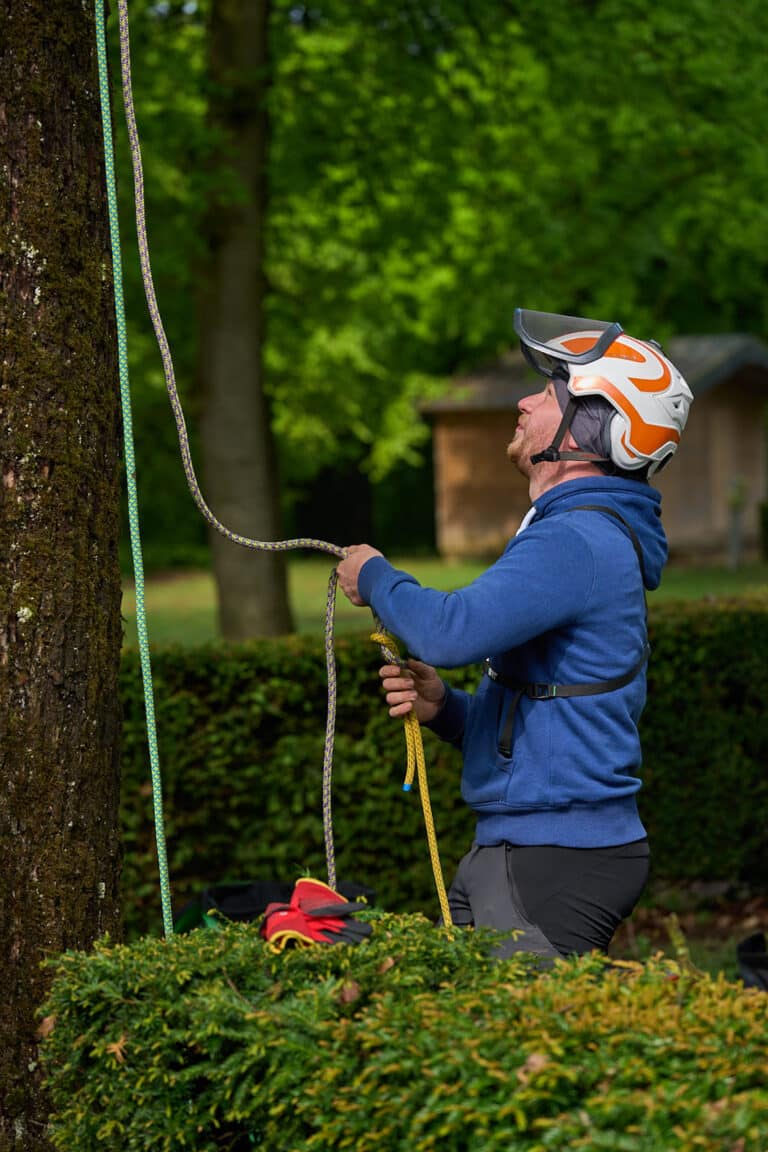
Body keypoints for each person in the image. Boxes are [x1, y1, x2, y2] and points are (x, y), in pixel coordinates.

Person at [336, 309, 693, 960]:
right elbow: (543, 710)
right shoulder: (576, 531)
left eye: (552, 393)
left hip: (552, 856)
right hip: (531, 847)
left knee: (528, 1055)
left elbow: (448, 631)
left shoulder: (577, 539)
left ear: (597, 429)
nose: (526, 400)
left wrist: (377, 577)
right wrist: (445, 710)